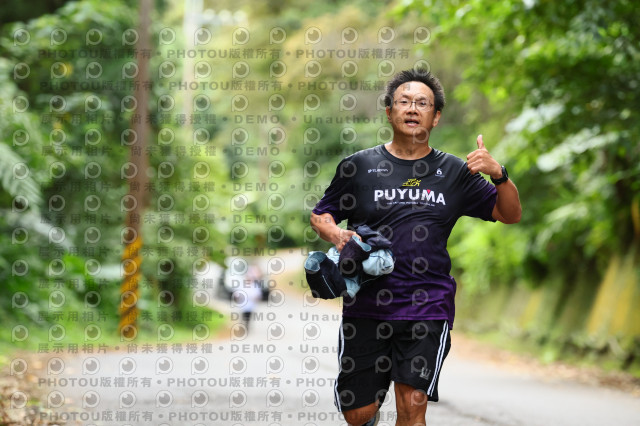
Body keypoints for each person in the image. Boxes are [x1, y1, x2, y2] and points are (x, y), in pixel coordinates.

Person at [310, 69, 522, 426]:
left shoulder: (455, 172)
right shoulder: (359, 167)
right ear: (389, 111)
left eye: (422, 103)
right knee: (357, 414)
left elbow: (509, 213)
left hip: (428, 306)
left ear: (435, 117)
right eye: (404, 102)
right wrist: (335, 234)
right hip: (366, 306)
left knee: (412, 408)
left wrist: (498, 174)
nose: (412, 109)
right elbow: (321, 214)